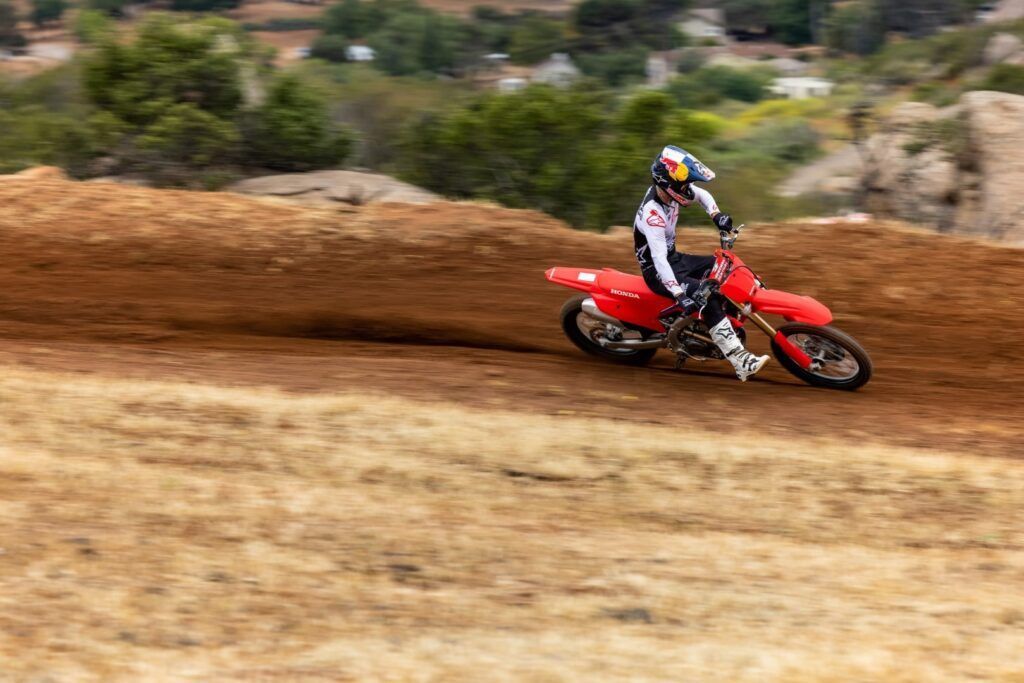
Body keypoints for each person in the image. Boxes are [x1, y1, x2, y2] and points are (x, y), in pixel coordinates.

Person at [633, 145, 769, 382]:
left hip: (674, 259)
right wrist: (679, 294)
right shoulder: (653, 214)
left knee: (724, 265)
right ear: (669, 184)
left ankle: (736, 310)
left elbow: (702, 195)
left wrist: (716, 215)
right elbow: (659, 260)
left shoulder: (668, 191)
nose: (688, 190)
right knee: (709, 298)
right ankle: (740, 362)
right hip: (658, 272)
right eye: (684, 185)